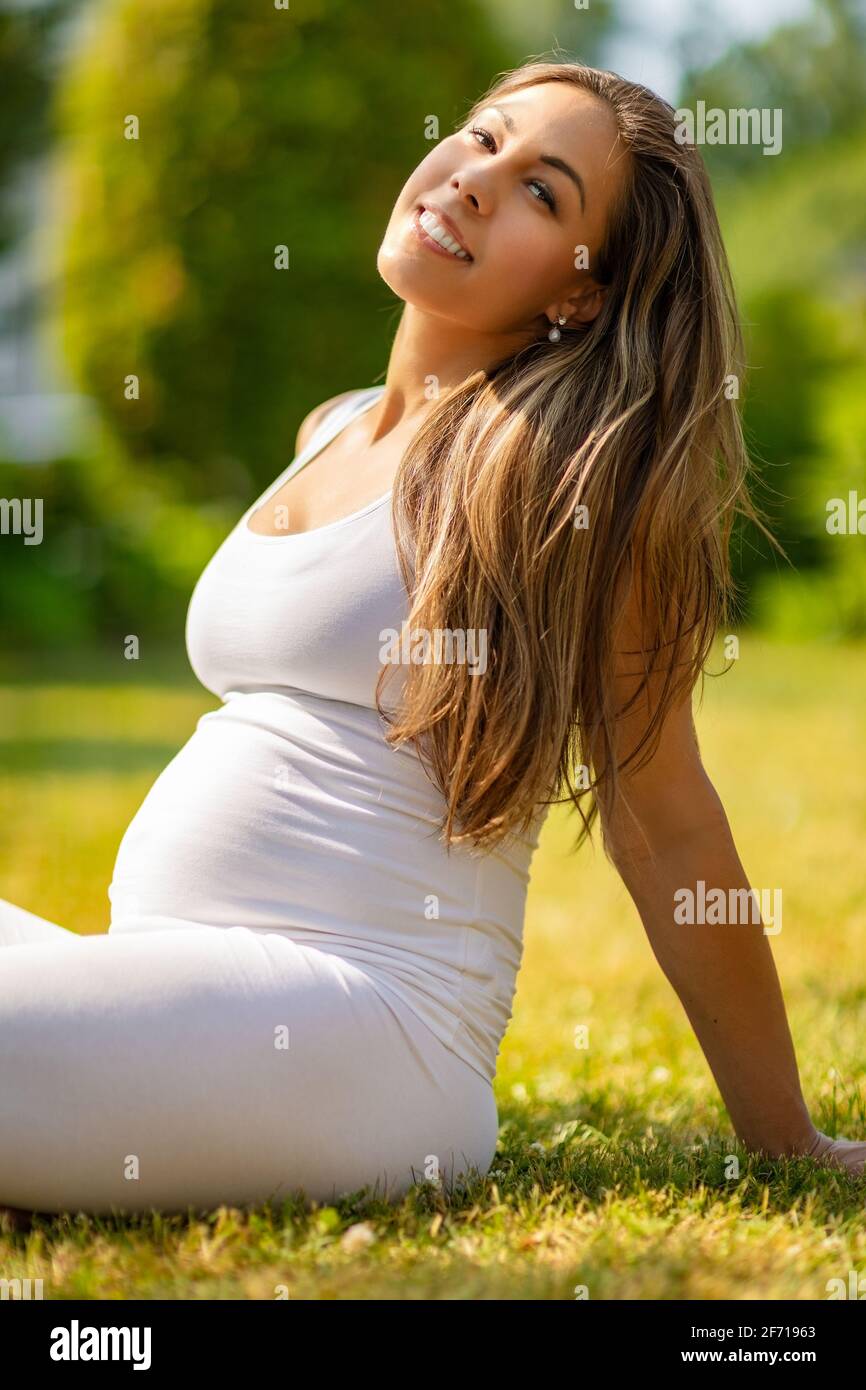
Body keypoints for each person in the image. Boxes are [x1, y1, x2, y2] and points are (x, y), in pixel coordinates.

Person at [2, 58, 862, 1223]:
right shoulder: (335, 425)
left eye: (541, 192)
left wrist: (785, 1137)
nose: (474, 180)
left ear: (582, 294)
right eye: (479, 137)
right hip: (174, 978)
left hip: (362, 1029)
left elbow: (662, 819)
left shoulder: (562, 486)